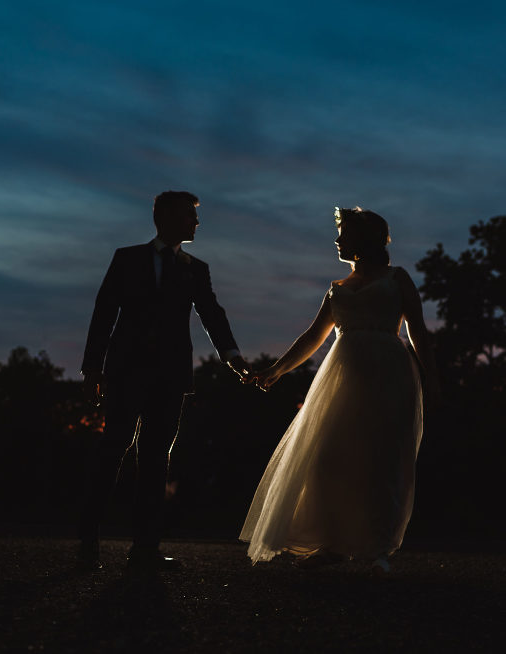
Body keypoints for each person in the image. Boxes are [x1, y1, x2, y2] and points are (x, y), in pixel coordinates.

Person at [240, 207, 440, 574]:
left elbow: (419, 333)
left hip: (390, 373)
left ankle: (376, 547)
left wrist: (433, 378)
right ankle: (330, 540)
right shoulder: (337, 288)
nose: (337, 241)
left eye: (344, 235)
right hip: (341, 378)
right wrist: (276, 370)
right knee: (328, 457)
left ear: (364, 241)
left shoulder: (398, 279)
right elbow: (313, 337)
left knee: (382, 460)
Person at [79, 190, 251, 570]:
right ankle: (88, 539)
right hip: (125, 372)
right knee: (112, 450)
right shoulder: (127, 259)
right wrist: (93, 369)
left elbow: (212, 314)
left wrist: (233, 357)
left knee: (156, 458)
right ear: (166, 218)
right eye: (190, 215)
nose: (196, 222)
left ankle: (145, 548)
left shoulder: (196, 268)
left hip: (171, 377)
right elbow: (104, 313)